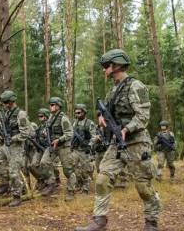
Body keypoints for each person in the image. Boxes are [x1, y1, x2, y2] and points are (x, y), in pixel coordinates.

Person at [75, 49, 161, 231]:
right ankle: (99, 220)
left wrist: (126, 129)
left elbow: (144, 116)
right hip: (117, 143)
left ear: (116, 65)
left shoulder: (135, 86)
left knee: (143, 186)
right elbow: (106, 113)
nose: (103, 70)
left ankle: (151, 222)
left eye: (106, 66)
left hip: (137, 142)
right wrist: (102, 119)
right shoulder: (112, 91)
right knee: (102, 179)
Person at [0, 90, 31, 207]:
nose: (5, 105)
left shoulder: (21, 114)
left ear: (12, 101)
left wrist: (12, 138)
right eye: (4, 103)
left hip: (16, 146)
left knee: (14, 172)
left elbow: (25, 134)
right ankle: (17, 182)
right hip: (6, 145)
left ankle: (17, 196)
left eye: (7, 102)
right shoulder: (6, 113)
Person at [40, 97, 75, 201]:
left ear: (58, 105)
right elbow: (48, 129)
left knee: (68, 170)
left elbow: (69, 133)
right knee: (44, 163)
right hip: (52, 145)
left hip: (63, 146)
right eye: (50, 105)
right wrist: (45, 133)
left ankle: (71, 190)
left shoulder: (63, 118)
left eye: (52, 105)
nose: (50, 107)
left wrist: (59, 140)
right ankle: (51, 183)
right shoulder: (50, 117)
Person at [72, 104, 97, 194]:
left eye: (79, 112)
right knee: (73, 167)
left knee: (85, 169)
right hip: (75, 149)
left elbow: (94, 136)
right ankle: (79, 183)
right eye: (75, 113)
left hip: (84, 149)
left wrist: (89, 146)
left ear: (84, 112)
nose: (77, 115)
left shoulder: (89, 123)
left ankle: (86, 186)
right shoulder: (74, 123)